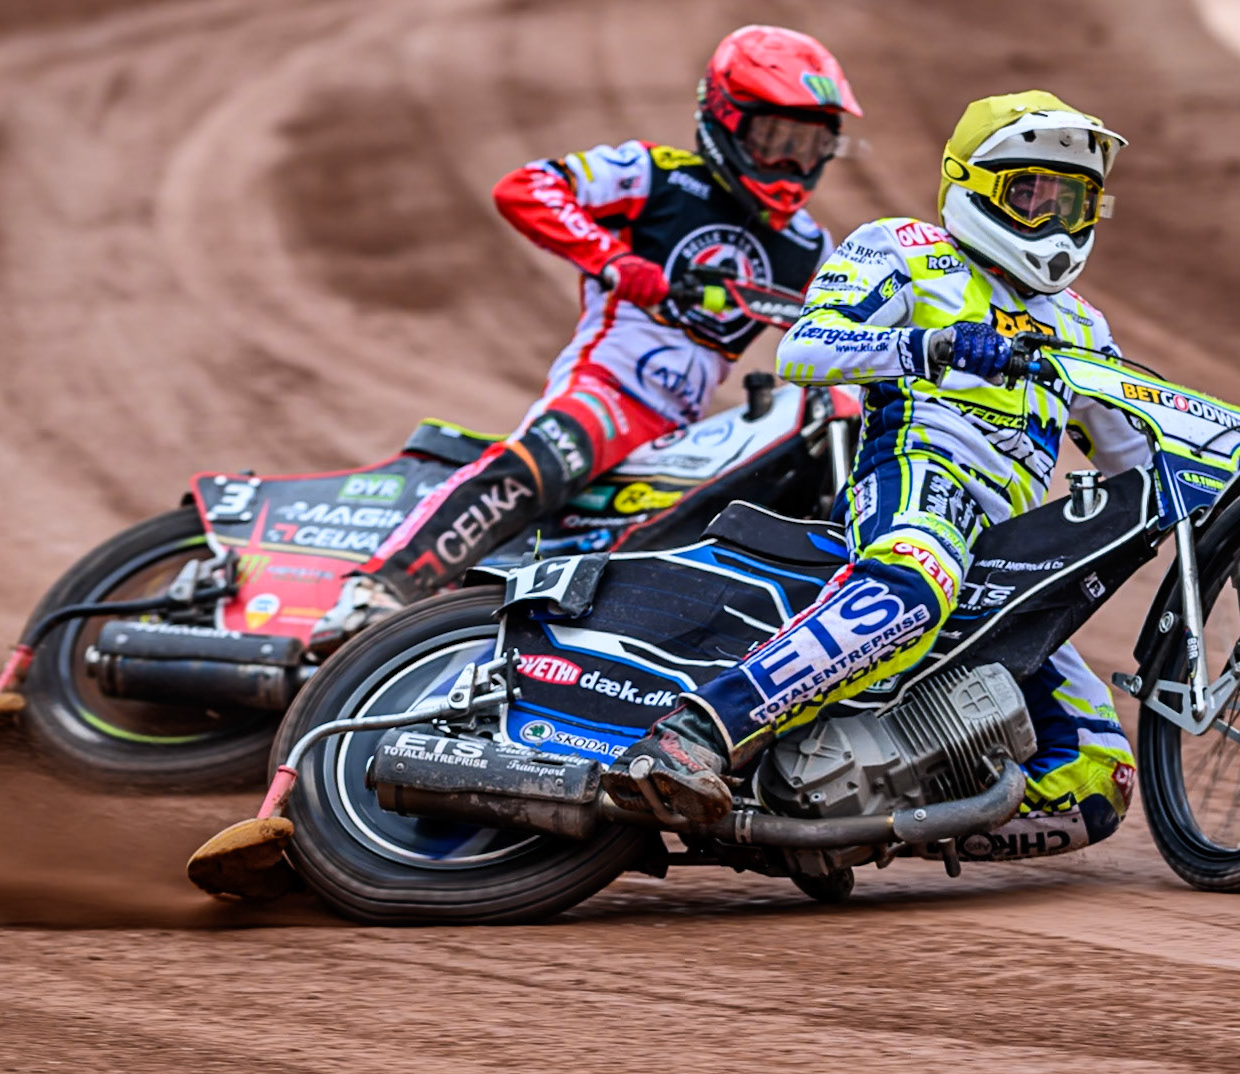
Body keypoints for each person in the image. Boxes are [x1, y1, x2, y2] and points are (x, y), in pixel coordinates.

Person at [603, 91, 1148, 861]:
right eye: (1030, 192)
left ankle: (856, 823)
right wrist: (933, 347)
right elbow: (805, 347)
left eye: (1072, 200)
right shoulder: (903, 247)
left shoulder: (1083, 326)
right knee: (914, 586)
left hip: (1013, 551)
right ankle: (692, 733)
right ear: (975, 183)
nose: (1052, 218)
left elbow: (1134, 453)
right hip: (919, 479)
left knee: (1099, 781)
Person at [310, 25, 860, 653]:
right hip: (609, 383)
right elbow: (526, 188)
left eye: (809, 144)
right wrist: (621, 265)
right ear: (727, 120)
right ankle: (380, 587)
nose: (791, 163)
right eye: (774, 139)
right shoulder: (655, 174)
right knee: (555, 455)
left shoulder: (810, 246)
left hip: (684, 423)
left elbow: (849, 329)